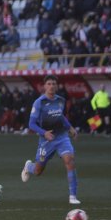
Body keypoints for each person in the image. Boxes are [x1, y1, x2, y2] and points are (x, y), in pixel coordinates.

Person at [21, 75, 81, 204]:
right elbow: (31, 124)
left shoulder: (61, 100)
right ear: (44, 86)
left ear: (57, 86)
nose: (52, 86)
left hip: (62, 137)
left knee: (69, 160)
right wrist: (44, 133)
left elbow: (60, 116)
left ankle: (73, 196)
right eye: (49, 83)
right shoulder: (39, 102)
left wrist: (70, 128)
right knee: (38, 171)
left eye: (54, 83)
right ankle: (28, 166)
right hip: (46, 140)